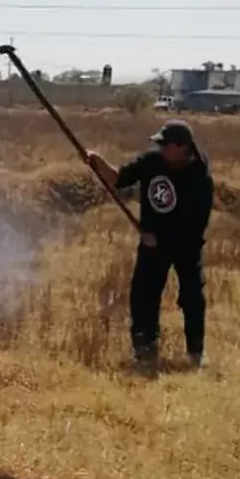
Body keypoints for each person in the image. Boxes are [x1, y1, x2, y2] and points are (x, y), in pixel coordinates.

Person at [86, 119, 214, 368]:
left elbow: (196, 226)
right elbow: (119, 178)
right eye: (161, 145)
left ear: (183, 147)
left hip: (185, 245)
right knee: (143, 295)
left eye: (166, 145)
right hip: (152, 244)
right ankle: (144, 349)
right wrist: (96, 161)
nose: (162, 149)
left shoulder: (200, 178)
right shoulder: (152, 163)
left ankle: (195, 353)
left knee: (192, 298)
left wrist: (161, 238)